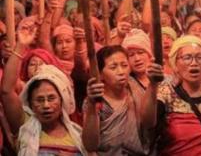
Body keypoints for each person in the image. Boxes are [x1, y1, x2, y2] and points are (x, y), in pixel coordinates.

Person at [140, 35, 201, 156]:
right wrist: (152, 84)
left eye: (199, 57)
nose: (194, 63)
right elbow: (147, 122)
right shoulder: (165, 93)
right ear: (175, 64)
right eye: (187, 57)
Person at [1, 23, 86, 155]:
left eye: (51, 98)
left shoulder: (77, 133)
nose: (46, 105)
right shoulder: (25, 124)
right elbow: (6, 91)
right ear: (30, 103)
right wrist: (20, 46)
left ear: (62, 99)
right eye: (39, 100)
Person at [83, 45, 148, 155]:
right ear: (101, 74)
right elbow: (90, 145)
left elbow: (150, 125)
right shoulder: (95, 101)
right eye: (113, 67)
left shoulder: (138, 90)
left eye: (124, 65)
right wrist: (92, 105)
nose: (121, 72)